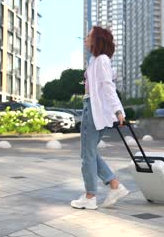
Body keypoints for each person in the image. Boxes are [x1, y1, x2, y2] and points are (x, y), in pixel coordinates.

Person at [71, 26, 129, 210]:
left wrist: (119, 110)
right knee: (88, 153)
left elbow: (107, 87)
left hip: (93, 112)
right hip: (92, 109)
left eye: (88, 36)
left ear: (96, 40)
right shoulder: (94, 60)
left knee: (87, 155)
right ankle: (114, 185)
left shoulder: (101, 60)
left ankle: (90, 196)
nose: (85, 39)